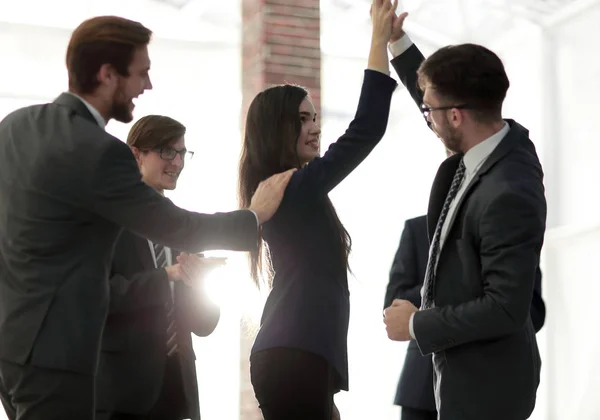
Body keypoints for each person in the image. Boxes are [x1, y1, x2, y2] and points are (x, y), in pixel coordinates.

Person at [0, 16, 292, 420]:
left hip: (13, 346)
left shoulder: (15, 127)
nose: (147, 86)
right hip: (60, 356)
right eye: (141, 73)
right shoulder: (100, 151)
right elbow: (178, 226)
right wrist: (253, 216)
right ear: (107, 75)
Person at [237, 1, 402, 419]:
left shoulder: (292, 188)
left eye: (314, 117)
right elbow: (366, 129)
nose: (315, 127)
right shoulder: (291, 189)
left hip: (301, 354)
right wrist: (379, 39)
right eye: (303, 119)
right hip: (294, 354)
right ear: (278, 129)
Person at [383, 12, 546, 420]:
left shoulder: (510, 190)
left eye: (431, 113)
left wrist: (419, 325)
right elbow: (439, 98)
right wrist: (397, 41)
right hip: (462, 381)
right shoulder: (488, 141)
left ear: (456, 115)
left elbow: (507, 308)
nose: (430, 122)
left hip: (488, 391)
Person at [94, 115, 223, 420]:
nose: (177, 163)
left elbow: (204, 325)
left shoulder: (186, 228)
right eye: (167, 152)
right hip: (120, 395)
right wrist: (165, 277)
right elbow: (96, 295)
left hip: (176, 391)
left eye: (182, 153)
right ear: (135, 154)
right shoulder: (106, 223)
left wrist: (199, 283)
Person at [384, 214, 546, 420]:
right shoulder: (416, 228)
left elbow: (533, 311)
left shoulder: (510, 232)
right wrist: (447, 287)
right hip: (422, 389)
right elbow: (393, 304)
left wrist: (488, 305)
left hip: (492, 385)